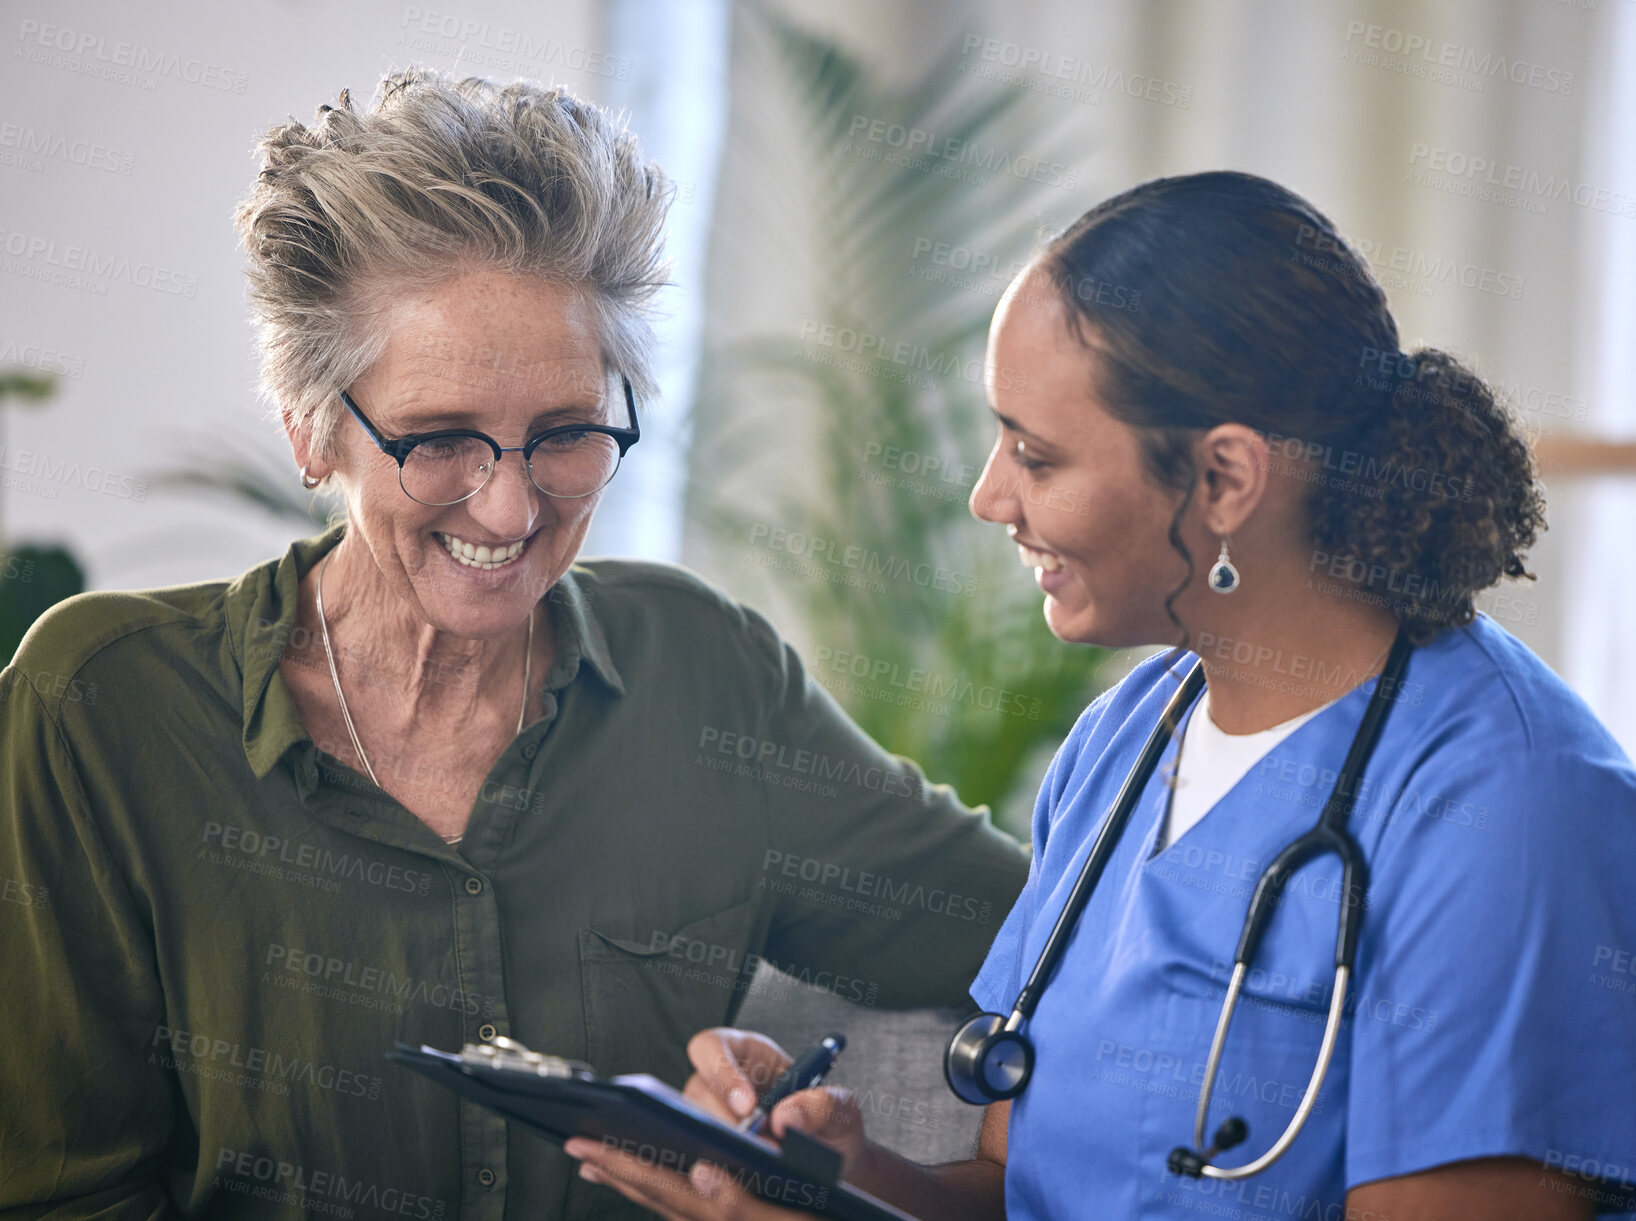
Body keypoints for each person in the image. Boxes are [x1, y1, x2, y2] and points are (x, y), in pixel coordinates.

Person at [0, 70, 1028, 1221]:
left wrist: (959, 1177)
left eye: (566, 434)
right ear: (308, 426)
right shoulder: (102, 705)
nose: (508, 510)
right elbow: (60, 1195)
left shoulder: (706, 677)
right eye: (439, 441)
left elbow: (1047, 943)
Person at [569, 172, 1636, 1220]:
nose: (991, 498)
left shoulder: (1515, 807)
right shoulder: (1124, 741)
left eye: (1035, 456)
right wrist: (837, 1176)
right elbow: (1013, 1189)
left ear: (1222, 479)